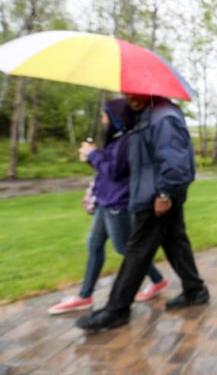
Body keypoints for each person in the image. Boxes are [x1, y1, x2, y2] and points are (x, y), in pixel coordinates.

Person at [75, 94, 208, 332]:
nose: (130, 98)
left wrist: (165, 193)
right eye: (127, 94)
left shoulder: (162, 117)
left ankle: (116, 310)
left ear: (151, 91)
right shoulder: (147, 115)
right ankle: (195, 290)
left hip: (156, 197)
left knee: (137, 251)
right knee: (175, 243)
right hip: (153, 193)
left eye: (135, 93)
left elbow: (175, 161)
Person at [48, 99, 169, 315]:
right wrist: (90, 157)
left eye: (105, 115)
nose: (103, 119)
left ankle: (157, 279)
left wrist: (94, 154)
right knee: (94, 244)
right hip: (106, 201)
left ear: (115, 117)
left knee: (125, 248)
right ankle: (85, 296)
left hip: (117, 204)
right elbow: (107, 168)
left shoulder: (128, 140)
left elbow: (114, 171)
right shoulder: (116, 139)